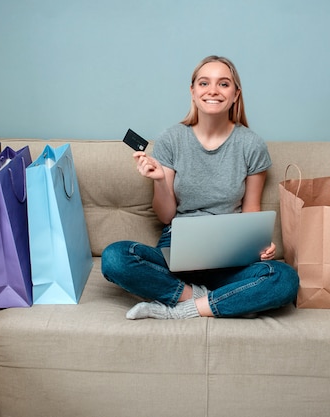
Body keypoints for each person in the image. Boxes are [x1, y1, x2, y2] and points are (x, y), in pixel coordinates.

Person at [101, 55, 299, 319]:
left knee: (284, 279)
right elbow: (166, 216)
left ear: (236, 94)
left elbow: (251, 209)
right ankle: (203, 299)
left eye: (224, 84)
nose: (213, 90)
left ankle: (182, 310)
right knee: (115, 257)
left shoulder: (251, 145)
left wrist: (260, 245)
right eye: (204, 83)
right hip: (179, 247)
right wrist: (160, 180)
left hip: (232, 253)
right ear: (193, 92)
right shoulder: (172, 139)